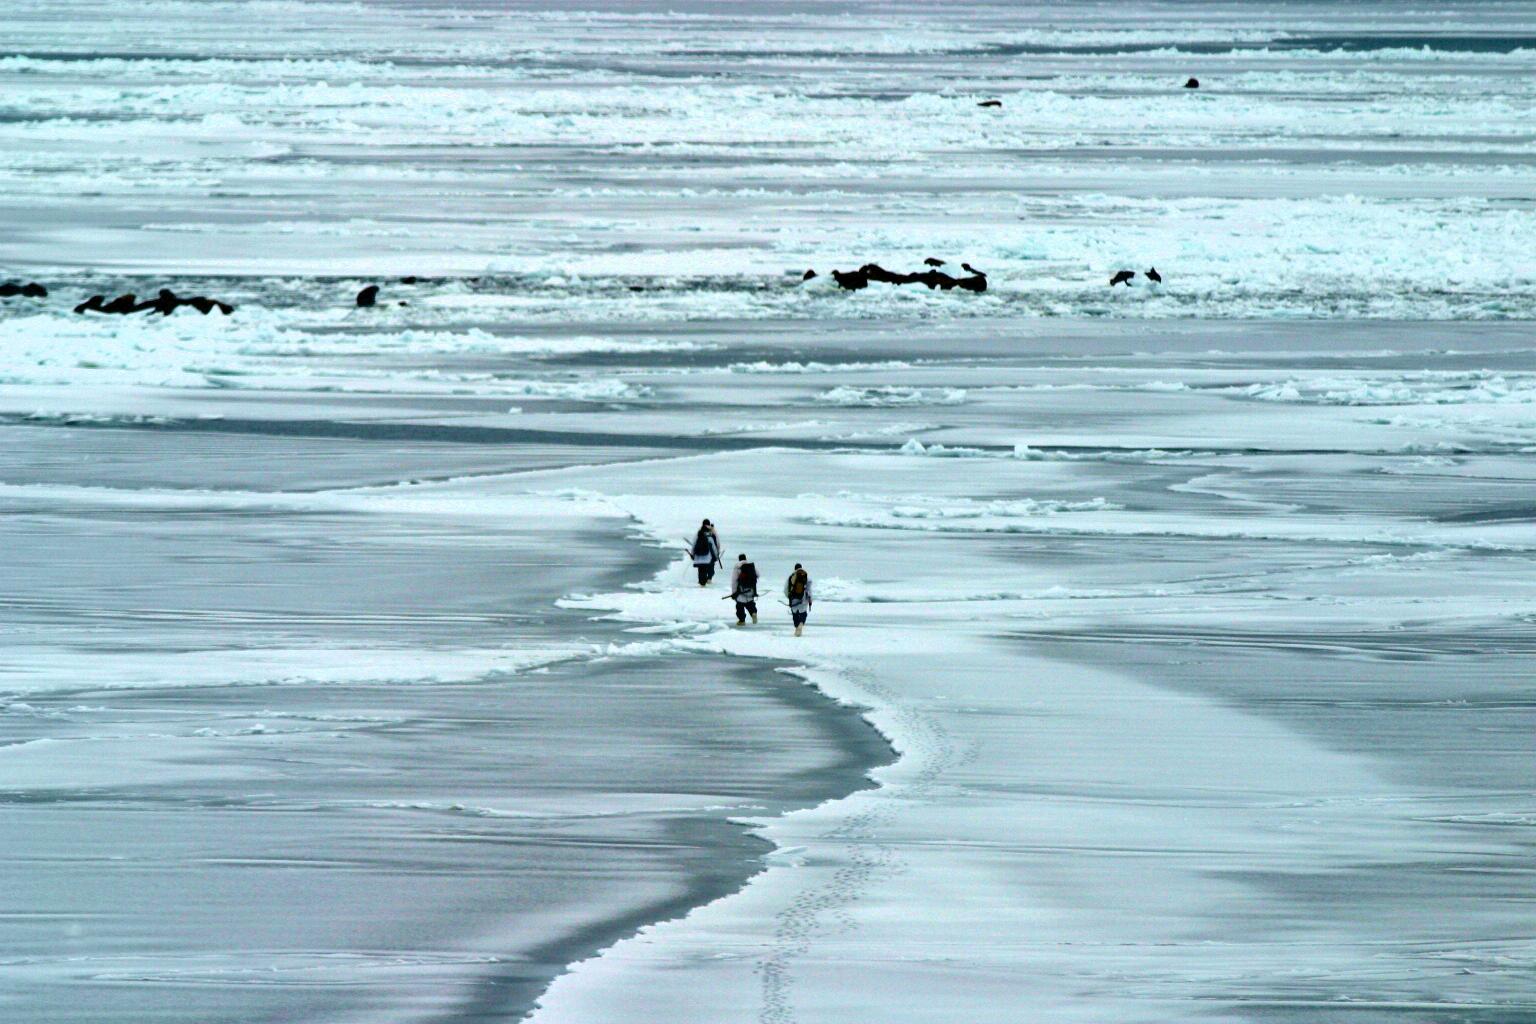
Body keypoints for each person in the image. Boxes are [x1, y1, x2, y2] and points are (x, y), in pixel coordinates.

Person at [729, 554, 758, 625]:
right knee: (750, 604)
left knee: (740, 606)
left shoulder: (737, 567)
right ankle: (753, 613)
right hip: (751, 589)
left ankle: (742, 621)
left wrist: (734, 592)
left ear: (739, 559)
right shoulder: (750, 565)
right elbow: (758, 575)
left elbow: (734, 580)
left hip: (741, 590)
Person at [785, 563, 812, 636]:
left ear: (795, 569)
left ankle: (797, 627)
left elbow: (786, 589)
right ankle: (800, 624)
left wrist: (789, 597)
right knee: (803, 614)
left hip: (793, 599)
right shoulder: (806, 577)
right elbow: (809, 590)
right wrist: (810, 599)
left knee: (795, 614)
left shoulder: (791, 577)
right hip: (803, 599)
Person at [690, 519, 720, 586]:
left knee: (701, 569)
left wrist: (692, 554)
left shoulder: (699, 533)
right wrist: (717, 554)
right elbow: (716, 545)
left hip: (698, 555)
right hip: (708, 556)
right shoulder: (711, 533)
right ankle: (708, 579)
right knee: (709, 567)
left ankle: (701, 582)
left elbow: (694, 544)